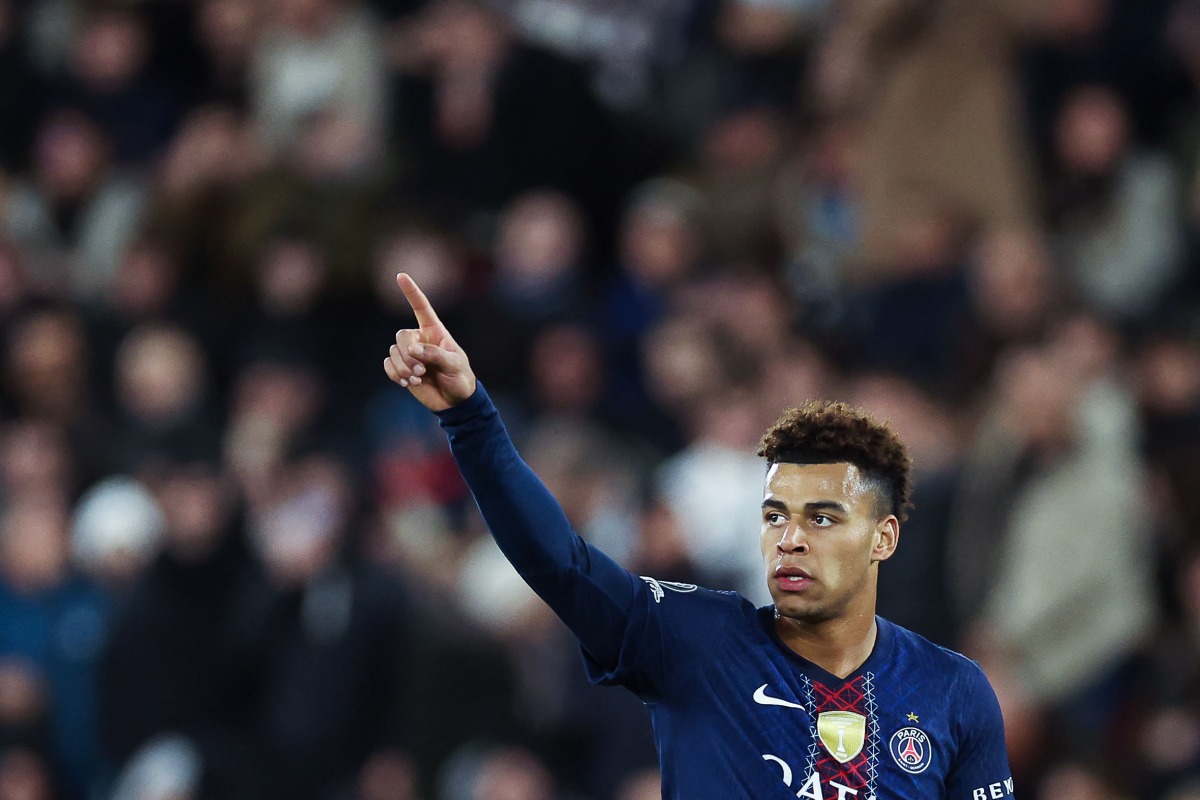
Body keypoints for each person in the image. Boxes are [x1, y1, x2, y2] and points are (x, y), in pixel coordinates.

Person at [383, 273, 1014, 798]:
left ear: (882, 539)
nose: (792, 537)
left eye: (822, 518)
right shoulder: (697, 637)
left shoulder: (953, 693)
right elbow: (559, 561)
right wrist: (470, 417)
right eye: (776, 517)